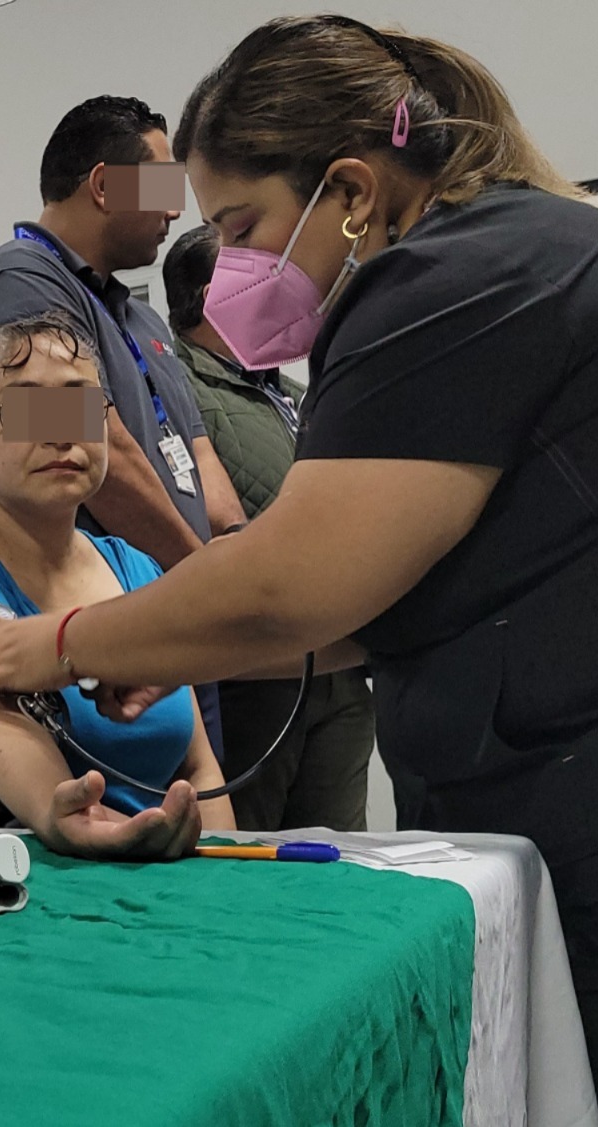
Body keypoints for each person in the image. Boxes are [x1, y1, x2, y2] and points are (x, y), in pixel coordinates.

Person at [0, 16, 598, 1120]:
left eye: (229, 221)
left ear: (351, 187)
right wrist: (177, 606)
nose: (191, 236)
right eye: (170, 200)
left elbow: (242, 533)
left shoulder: (146, 322)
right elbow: (1, 644)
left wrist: (135, 616)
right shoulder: (24, 303)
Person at [0, 312, 233, 858]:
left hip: (172, 876)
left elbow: (199, 769)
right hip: (19, 880)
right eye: (25, 411)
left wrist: (222, 867)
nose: (59, 433)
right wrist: (61, 812)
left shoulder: (140, 571)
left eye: (80, 408)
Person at [0, 94, 247, 763]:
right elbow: (86, 441)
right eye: (162, 187)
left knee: (206, 804)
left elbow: (197, 451)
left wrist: (238, 556)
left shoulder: (142, 319)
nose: (176, 211)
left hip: (174, 611)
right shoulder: (18, 282)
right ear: (105, 185)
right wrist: (206, 582)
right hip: (88, 632)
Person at [161, 224, 377, 832]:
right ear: (211, 296)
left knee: (341, 857)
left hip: (337, 666)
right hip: (253, 678)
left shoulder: (298, 391)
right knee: (255, 853)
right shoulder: (177, 387)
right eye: (257, 272)